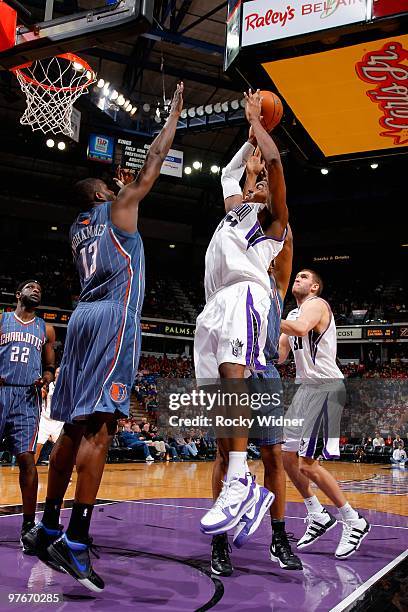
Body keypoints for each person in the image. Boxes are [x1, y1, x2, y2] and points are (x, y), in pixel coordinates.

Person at [23, 83, 184, 592]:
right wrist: (173, 115)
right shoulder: (117, 210)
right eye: (111, 189)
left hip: (81, 318)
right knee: (101, 428)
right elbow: (156, 160)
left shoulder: (78, 228)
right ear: (102, 194)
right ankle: (75, 539)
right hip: (114, 317)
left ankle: (47, 526)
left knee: (72, 425)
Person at [195, 90, 288, 575]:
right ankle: (230, 504)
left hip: (244, 302)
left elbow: (272, 162)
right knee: (222, 431)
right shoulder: (235, 210)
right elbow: (233, 173)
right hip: (213, 311)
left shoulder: (272, 226)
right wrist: (248, 131)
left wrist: (262, 127)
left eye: (262, 183)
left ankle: (247, 492)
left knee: (267, 442)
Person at [279, 269, 370, 559]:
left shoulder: (316, 305)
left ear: (315, 286)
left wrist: (267, 319)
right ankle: (316, 513)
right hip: (305, 389)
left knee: (307, 464)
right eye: (297, 276)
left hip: (326, 387)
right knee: (287, 457)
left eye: (304, 276)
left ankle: (353, 520)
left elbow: (303, 329)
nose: (298, 278)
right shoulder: (291, 316)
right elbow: (279, 356)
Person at [0, 280, 56, 549]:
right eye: (31, 287)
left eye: (39, 288)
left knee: (27, 460)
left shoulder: (45, 329)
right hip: (1, 392)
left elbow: (49, 366)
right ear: (17, 294)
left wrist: (45, 379)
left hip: (26, 397)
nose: (36, 289)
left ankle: (27, 526)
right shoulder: (1, 320)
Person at [34, 367, 64, 464]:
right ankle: (30, 469)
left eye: (61, 372)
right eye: (57, 372)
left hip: (58, 421)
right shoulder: (48, 386)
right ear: (55, 374)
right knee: (37, 446)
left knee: (61, 449)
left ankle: (63, 474)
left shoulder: (66, 387)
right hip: (45, 420)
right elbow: (40, 397)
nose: (59, 374)